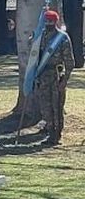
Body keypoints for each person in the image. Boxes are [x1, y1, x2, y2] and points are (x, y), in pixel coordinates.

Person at [33, 9, 73, 145]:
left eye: (50, 21)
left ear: (55, 22)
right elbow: (33, 53)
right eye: (46, 21)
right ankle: (49, 130)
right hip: (43, 76)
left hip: (56, 76)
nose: (48, 23)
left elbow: (70, 61)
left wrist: (65, 80)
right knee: (45, 105)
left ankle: (57, 133)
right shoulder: (40, 36)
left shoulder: (62, 38)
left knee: (57, 106)